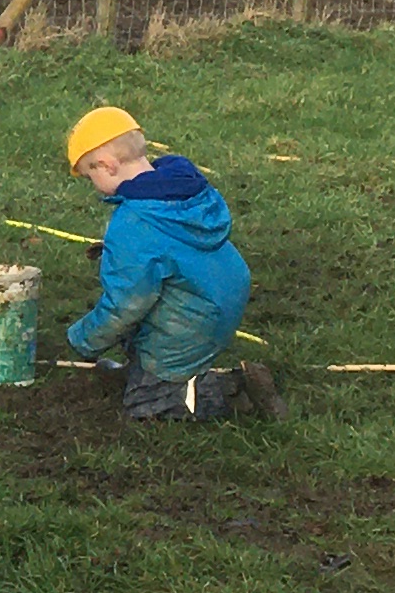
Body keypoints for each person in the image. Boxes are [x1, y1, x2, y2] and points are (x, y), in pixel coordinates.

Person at [63, 103, 262, 419]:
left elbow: (125, 302)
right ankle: (141, 370)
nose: (93, 185)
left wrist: (83, 339)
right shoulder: (180, 188)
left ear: (106, 165)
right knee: (149, 317)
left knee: (147, 406)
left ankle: (235, 391)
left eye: (90, 174)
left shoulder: (134, 222)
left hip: (193, 320)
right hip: (219, 294)